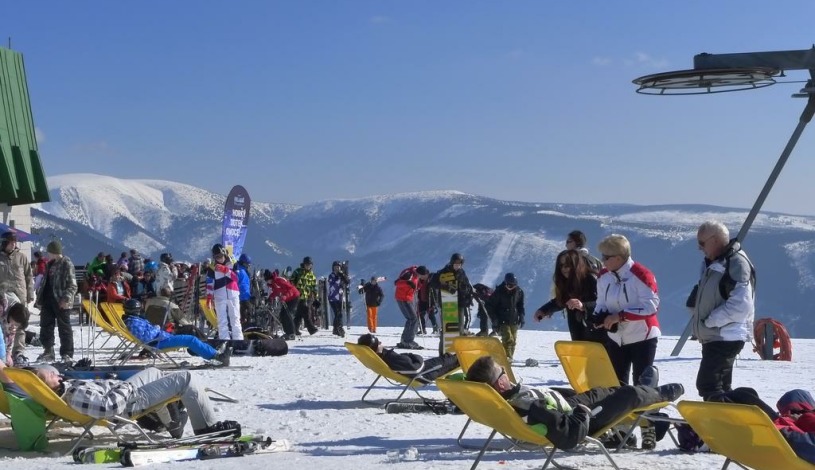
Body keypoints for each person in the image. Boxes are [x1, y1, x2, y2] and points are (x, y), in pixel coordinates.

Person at [466, 355, 684, 451]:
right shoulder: (530, 405)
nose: (507, 373)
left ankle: (646, 389)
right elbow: (569, 436)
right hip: (582, 419)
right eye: (502, 372)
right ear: (501, 383)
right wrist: (582, 412)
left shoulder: (511, 398)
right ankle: (658, 393)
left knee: (603, 391)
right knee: (629, 396)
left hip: (565, 404)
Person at [0, 361, 241, 439]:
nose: (55, 372)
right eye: (49, 374)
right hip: (130, 400)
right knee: (186, 378)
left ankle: (171, 423)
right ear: (44, 384)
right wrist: (125, 385)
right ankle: (206, 428)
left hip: (121, 390)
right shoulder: (72, 394)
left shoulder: (61, 391)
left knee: (154, 370)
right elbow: (108, 408)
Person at [688, 221, 755, 401]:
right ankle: (728, 422)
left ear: (715, 240)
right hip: (716, 335)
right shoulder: (715, 262)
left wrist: (710, 321)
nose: (699, 248)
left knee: (708, 384)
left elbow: (741, 305)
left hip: (726, 335)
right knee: (720, 386)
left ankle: (724, 423)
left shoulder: (736, 263)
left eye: (702, 243)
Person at [592, 234, 660, 386]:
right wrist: (597, 317)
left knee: (642, 385)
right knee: (616, 384)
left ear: (618, 258)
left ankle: (643, 410)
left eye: (606, 257)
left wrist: (620, 316)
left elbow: (651, 307)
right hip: (616, 337)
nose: (602, 261)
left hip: (643, 336)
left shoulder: (641, 274)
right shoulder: (604, 275)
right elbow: (601, 302)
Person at [122, 299, 232, 365]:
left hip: (162, 338)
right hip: (157, 342)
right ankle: (216, 356)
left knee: (190, 333)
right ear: (134, 310)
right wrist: (156, 328)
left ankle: (215, 352)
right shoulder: (133, 323)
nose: (140, 310)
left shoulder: (134, 320)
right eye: (138, 309)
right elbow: (147, 338)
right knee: (190, 339)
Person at [535, 249, 604, 343]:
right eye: (561, 266)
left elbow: (604, 304)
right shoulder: (568, 283)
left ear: (576, 264)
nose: (564, 269)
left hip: (599, 336)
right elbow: (562, 301)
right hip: (579, 335)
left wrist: (584, 306)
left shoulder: (591, 279)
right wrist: (544, 310)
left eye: (567, 265)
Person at [35, 240, 77, 363]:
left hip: (61, 300)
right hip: (48, 300)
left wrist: (66, 298)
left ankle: (67, 353)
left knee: (64, 327)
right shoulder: (50, 264)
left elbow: (72, 285)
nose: (48, 254)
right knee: (46, 326)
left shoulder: (66, 263)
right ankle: (48, 351)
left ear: (54, 252)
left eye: (49, 252)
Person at [357, 333, 459, 382]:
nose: (381, 342)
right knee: (450, 359)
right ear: (375, 347)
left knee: (452, 360)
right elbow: (415, 369)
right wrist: (415, 356)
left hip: (422, 371)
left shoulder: (381, 357)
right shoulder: (389, 357)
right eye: (378, 342)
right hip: (424, 374)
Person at [0, 231, 34, 366]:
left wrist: (30, 293)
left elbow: (29, 276)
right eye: (11, 242)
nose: (13, 244)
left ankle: (18, 352)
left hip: (19, 296)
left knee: (18, 326)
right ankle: (3, 353)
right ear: (4, 242)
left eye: (15, 242)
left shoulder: (21, 257)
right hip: (3, 297)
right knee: (5, 325)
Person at [430, 253, 474, 335]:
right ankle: (444, 347)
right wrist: (446, 287)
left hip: (460, 302)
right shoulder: (444, 272)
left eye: (459, 264)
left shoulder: (462, 272)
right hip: (448, 303)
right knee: (448, 329)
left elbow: (467, 286)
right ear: (452, 263)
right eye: (456, 264)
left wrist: (468, 297)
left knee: (460, 327)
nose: (457, 266)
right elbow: (433, 283)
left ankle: (458, 344)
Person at [207, 244, 244, 340]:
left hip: (233, 293)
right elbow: (210, 283)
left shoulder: (233, 262)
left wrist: (226, 270)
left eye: (220, 256)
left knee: (235, 318)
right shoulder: (212, 266)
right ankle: (224, 340)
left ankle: (238, 340)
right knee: (221, 320)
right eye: (216, 257)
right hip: (219, 294)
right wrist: (209, 297)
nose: (219, 259)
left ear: (224, 253)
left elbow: (237, 278)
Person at [486, 273, 525, 360]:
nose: (511, 287)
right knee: (508, 339)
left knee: (513, 341)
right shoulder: (499, 292)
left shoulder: (519, 292)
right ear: (505, 283)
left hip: (514, 320)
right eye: (509, 285)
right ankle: (507, 358)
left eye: (513, 285)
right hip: (502, 320)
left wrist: (521, 317)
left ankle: (509, 358)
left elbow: (520, 306)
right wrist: (495, 320)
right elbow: (489, 306)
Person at [394, 266, 430, 350]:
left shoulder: (417, 276)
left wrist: (419, 284)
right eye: (422, 275)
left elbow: (416, 287)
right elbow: (397, 283)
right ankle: (408, 341)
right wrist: (408, 283)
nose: (423, 277)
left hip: (409, 298)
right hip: (402, 298)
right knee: (413, 319)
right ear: (419, 273)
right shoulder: (408, 274)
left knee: (412, 318)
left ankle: (405, 340)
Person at [265, 270, 299, 340]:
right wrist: (270, 297)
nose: (268, 281)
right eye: (266, 280)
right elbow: (276, 291)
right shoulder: (273, 283)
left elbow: (290, 289)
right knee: (282, 315)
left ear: (271, 277)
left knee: (287, 314)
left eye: (268, 279)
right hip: (287, 299)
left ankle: (291, 333)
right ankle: (287, 332)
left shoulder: (279, 280)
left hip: (294, 297)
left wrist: (285, 296)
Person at [289, 256, 319, 336]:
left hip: (307, 297)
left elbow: (314, 287)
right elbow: (291, 281)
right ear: (303, 264)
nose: (308, 266)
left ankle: (294, 329)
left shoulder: (312, 275)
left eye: (309, 264)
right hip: (298, 296)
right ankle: (311, 329)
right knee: (306, 311)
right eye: (306, 264)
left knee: (299, 314)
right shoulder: (298, 272)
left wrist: (316, 298)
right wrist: (294, 290)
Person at [327, 261, 350, 338]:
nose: (337, 268)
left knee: (339, 313)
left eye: (338, 267)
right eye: (335, 267)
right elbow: (333, 283)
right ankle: (339, 327)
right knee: (338, 313)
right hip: (333, 298)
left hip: (340, 297)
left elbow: (347, 282)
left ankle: (335, 328)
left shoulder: (341, 275)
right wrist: (340, 277)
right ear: (333, 268)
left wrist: (344, 275)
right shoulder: (331, 275)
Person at [235, 253, 253, 328]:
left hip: (245, 297)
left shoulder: (244, 271)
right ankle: (244, 330)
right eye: (247, 264)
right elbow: (241, 285)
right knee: (245, 317)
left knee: (247, 316)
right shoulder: (239, 271)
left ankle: (245, 329)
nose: (248, 266)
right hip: (242, 298)